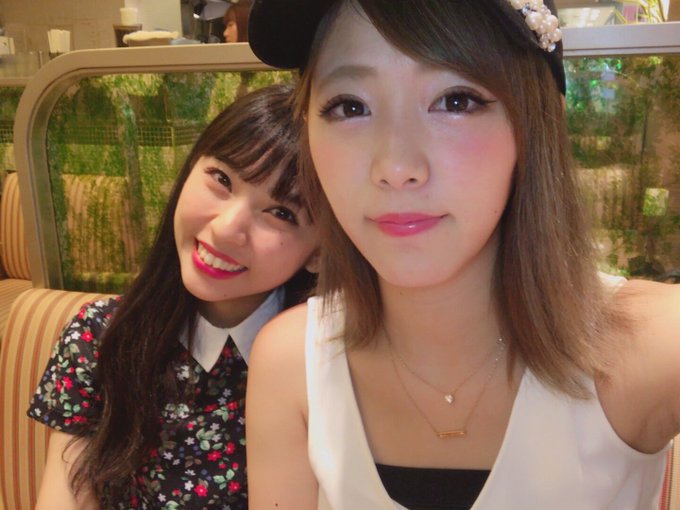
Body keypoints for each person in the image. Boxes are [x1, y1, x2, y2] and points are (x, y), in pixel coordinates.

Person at [244, 1, 680, 509]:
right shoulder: (293, 364)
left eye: (455, 101)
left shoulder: (646, 347)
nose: (396, 167)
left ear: (536, 121)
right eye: (350, 106)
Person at [27, 84, 319, 509]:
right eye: (222, 180)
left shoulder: (324, 363)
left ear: (321, 252)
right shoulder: (102, 335)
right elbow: (65, 496)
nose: (226, 229)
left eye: (281, 213)